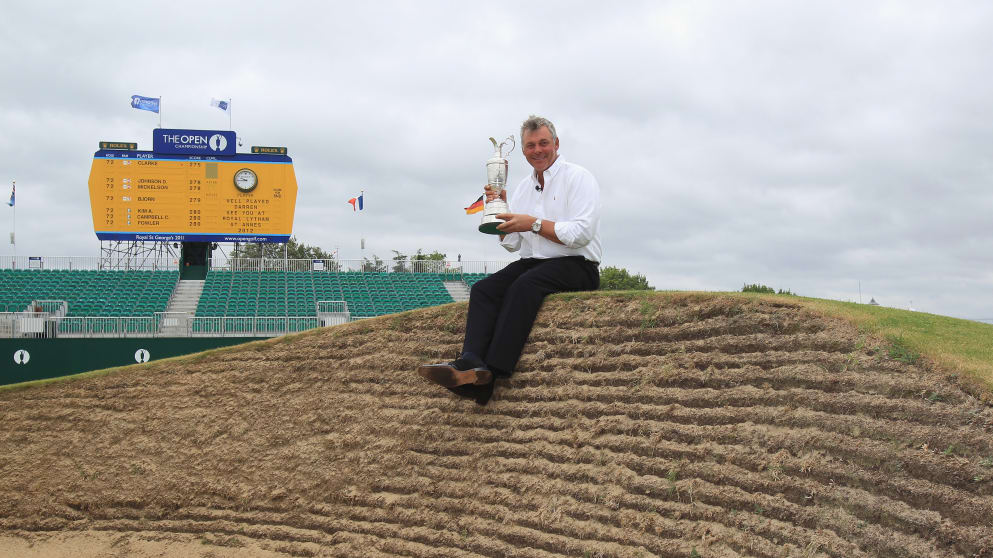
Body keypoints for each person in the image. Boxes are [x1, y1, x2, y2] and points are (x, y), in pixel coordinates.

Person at [417, 115, 602, 405]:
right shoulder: (524, 188)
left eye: (543, 143)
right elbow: (515, 244)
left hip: (577, 263)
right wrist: (499, 214)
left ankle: (490, 374)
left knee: (524, 286)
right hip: (536, 262)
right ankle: (471, 362)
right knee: (483, 290)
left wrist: (534, 223)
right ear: (524, 151)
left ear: (556, 143)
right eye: (531, 146)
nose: (538, 150)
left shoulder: (578, 177)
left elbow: (581, 234)